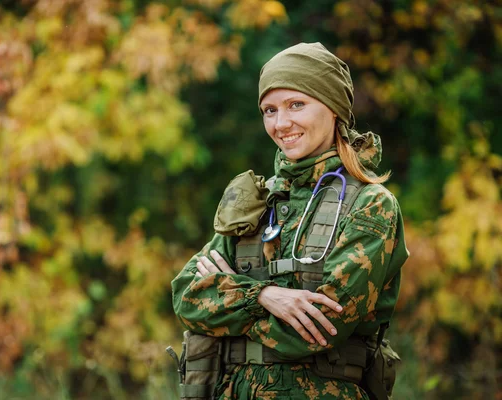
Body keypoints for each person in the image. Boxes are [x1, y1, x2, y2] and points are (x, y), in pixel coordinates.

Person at [171, 42, 409, 400]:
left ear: (333, 108)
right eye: (269, 110)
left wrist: (227, 294)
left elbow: (319, 328)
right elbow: (187, 296)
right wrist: (265, 296)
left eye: (296, 104)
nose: (281, 124)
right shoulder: (256, 202)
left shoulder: (371, 205)